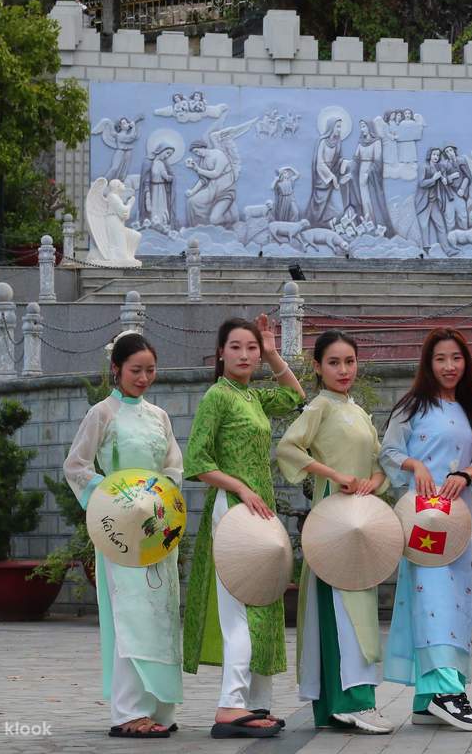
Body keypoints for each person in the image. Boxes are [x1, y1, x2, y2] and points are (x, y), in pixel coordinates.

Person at [182, 316, 305, 740]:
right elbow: (196, 460)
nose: (245, 355)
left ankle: (256, 705)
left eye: (252, 348)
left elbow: (295, 396)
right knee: (239, 612)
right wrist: (240, 488)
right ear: (220, 353)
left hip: (259, 512)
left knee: (265, 607)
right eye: (236, 347)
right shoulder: (218, 396)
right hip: (232, 512)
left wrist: (274, 352)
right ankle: (230, 705)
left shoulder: (251, 396)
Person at [63, 332, 183, 739]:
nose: (144, 378)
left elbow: (173, 469)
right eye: (136, 370)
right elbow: (76, 466)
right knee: (130, 615)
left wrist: (156, 499)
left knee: (161, 615)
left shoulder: (159, 417)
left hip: (156, 527)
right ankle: (128, 711)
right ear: (116, 369)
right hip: (119, 532)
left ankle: (159, 707)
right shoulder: (102, 413)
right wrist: (116, 495)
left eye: (150, 370)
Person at [276, 331, 392, 734]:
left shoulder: (357, 410)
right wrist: (335, 475)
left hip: (361, 518)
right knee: (342, 608)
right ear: (318, 367)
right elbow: (289, 449)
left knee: (357, 604)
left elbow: (381, 461)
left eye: (350, 362)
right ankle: (350, 701)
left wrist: (374, 480)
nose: (344, 370)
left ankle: (338, 704)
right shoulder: (320, 406)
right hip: (334, 520)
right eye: (334, 363)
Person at [380, 328, 472, 731]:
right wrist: (416, 465)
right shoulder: (412, 406)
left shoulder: (468, 405)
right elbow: (388, 451)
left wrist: (467, 472)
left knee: (456, 603)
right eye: (441, 359)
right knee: (433, 600)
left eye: (456, 358)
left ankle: (428, 700)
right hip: (422, 522)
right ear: (428, 364)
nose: (449, 366)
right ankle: (447, 692)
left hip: (457, 522)